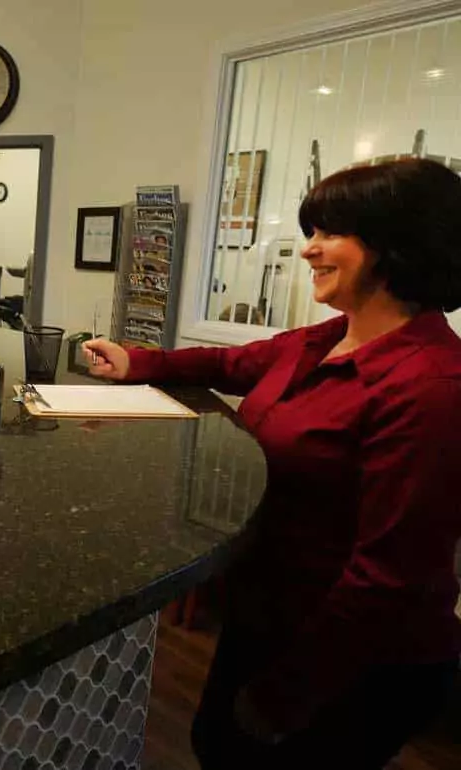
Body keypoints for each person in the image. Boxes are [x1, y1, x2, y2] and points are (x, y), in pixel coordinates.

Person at [84, 157, 461, 769]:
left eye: (329, 233)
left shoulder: (431, 386)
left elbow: (387, 580)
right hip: (269, 617)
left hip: (353, 661)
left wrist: (288, 695)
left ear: (399, 244)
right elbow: (226, 365)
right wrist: (134, 362)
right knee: (213, 744)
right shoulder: (325, 338)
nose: (309, 250)